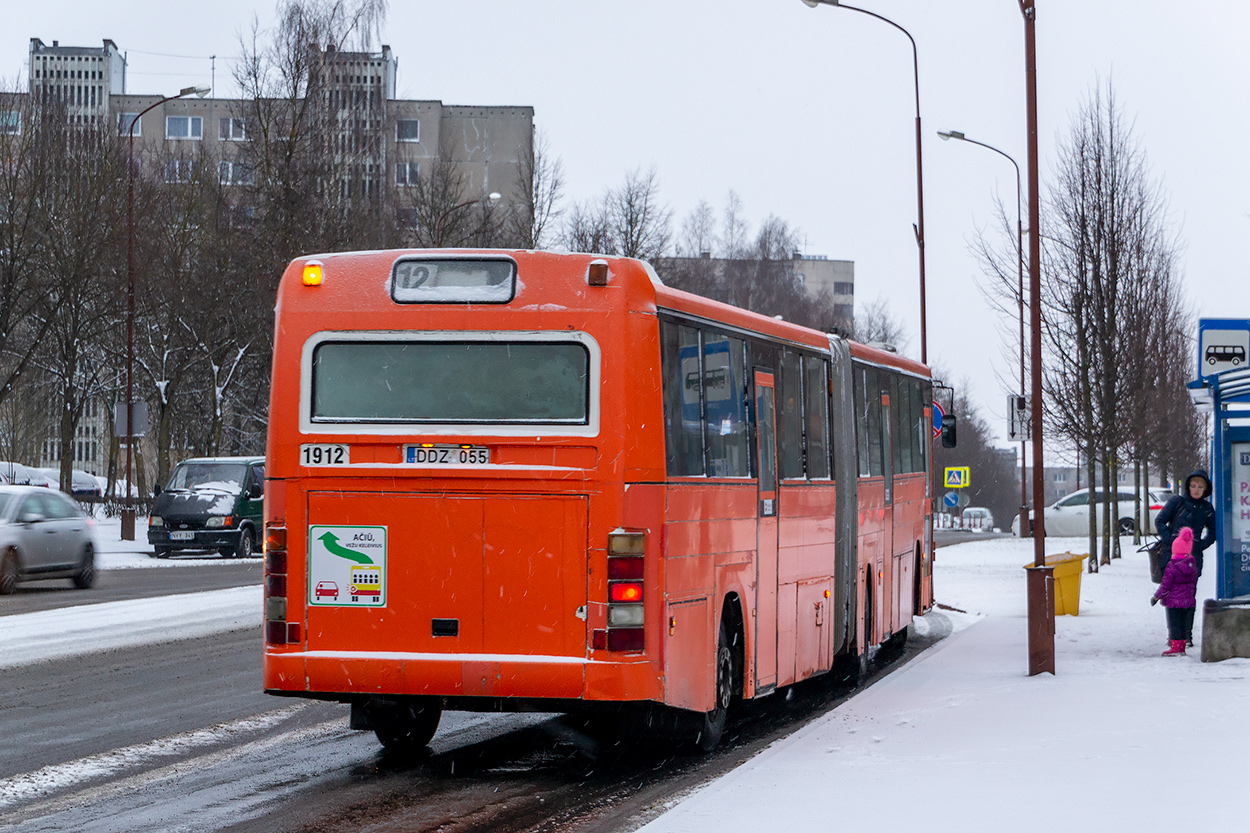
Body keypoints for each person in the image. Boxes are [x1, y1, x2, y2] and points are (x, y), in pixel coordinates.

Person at [1154, 470, 1216, 576]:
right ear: (1188, 486)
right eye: (1193, 486)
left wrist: (1199, 545)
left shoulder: (1207, 508)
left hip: (1193, 559)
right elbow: (1160, 521)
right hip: (1171, 557)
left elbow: (1213, 532)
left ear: (1205, 489)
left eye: (1200, 487)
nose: (1196, 490)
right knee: (1171, 590)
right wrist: (1170, 540)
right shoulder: (1177, 502)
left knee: (1188, 591)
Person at [1152, 527, 1199, 656]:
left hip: (1173, 601)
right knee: (1183, 624)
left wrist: (1156, 597)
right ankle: (1182, 645)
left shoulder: (1172, 566)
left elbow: (1165, 585)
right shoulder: (1192, 564)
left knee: (1174, 624)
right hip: (1188, 600)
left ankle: (1175, 647)